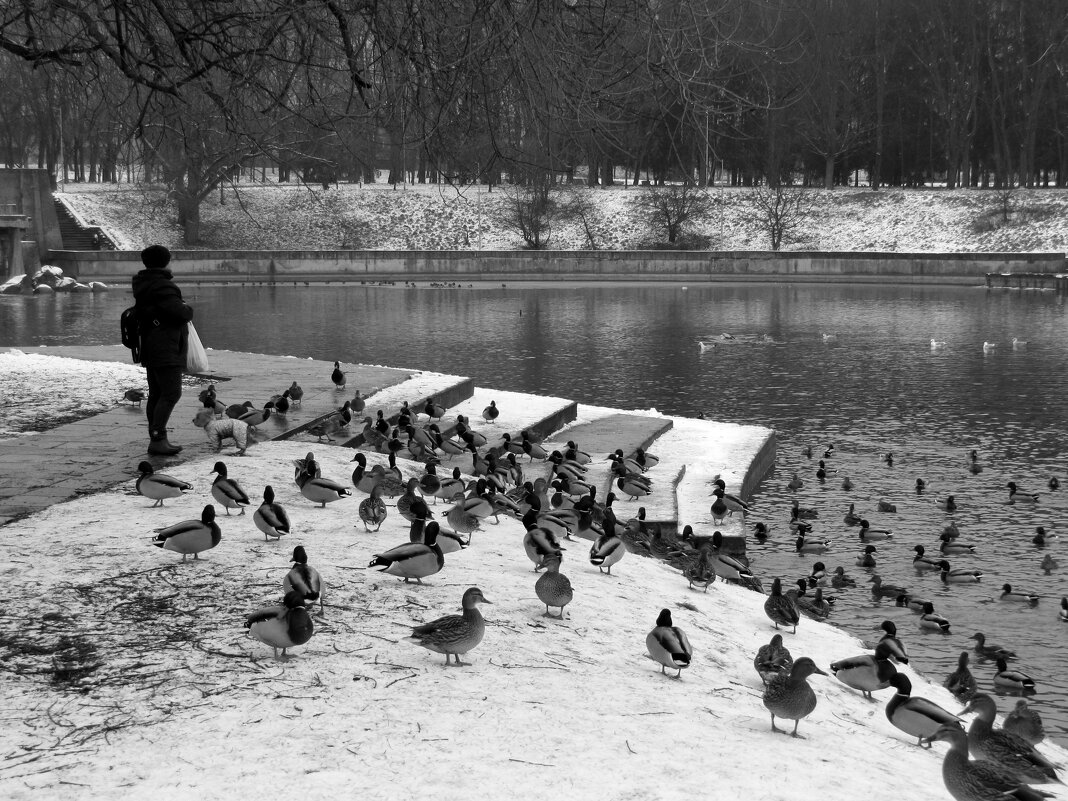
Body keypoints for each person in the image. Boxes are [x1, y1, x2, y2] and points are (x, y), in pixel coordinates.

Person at [132, 245, 194, 456]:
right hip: (165, 345)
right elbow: (181, 313)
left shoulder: (144, 283)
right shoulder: (162, 286)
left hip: (151, 343)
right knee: (171, 393)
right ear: (166, 261)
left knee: (157, 393)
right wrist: (187, 308)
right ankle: (158, 439)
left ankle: (156, 437)